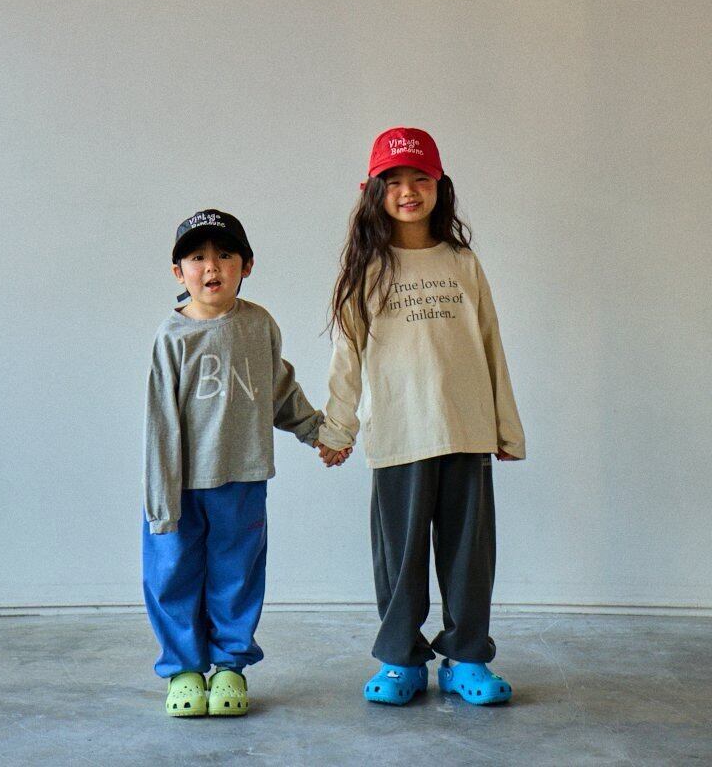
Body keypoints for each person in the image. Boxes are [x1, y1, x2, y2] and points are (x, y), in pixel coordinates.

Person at [316, 126, 526, 706]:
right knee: (400, 558)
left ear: (440, 185)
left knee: (468, 556)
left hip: (466, 429)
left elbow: (491, 344)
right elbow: (347, 356)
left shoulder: (462, 262)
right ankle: (400, 659)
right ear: (372, 191)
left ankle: (466, 657)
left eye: (420, 178)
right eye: (393, 181)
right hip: (398, 433)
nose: (408, 191)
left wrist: (506, 427)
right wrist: (337, 429)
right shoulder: (367, 268)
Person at [142, 209, 334, 717]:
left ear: (246, 265)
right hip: (181, 484)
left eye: (225, 255)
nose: (212, 267)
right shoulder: (171, 336)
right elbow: (160, 422)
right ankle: (184, 670)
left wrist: (317, 431)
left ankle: (230, 666)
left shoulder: (258, 324)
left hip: (243, 477)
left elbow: (278, 388)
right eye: (197, 257)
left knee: (237, 576)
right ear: (178, 271)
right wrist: (160, 500)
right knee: (173, 576)